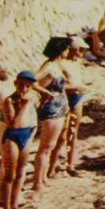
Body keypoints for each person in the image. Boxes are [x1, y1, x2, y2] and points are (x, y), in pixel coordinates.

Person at [0, 71, 42, 209]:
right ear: (15, 84)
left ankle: (14, 204)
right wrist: (23, 107)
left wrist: (32, 135)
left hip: (26, 135)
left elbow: (34, 120)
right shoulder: (9, 101)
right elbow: (14, 124)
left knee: (21, 171)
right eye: (21, 85)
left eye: (27, 86)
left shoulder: (32, 99)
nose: (24, 89)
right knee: (10, 173)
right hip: (12, 136)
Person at [31, 37, 74, 190]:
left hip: (59, 108)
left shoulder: (55, 66)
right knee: (45, 147)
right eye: (66, 49)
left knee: (49, 146)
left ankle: (42, 178)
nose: (68, 51)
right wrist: (45, 93)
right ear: (61, 50)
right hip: (52, 109)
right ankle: (37, 182)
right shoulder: (49, 66)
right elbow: (31, 80)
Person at [60, 36, 90, 175]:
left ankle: (70, 164)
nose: (82, 52)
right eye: (80, 49)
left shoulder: (77, 63)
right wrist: (74, 87)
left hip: (77, 97)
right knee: (62, 133)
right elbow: (56, 86)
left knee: (73, 132)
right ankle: (56, 163)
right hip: (66, 98)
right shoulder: (62, 64)